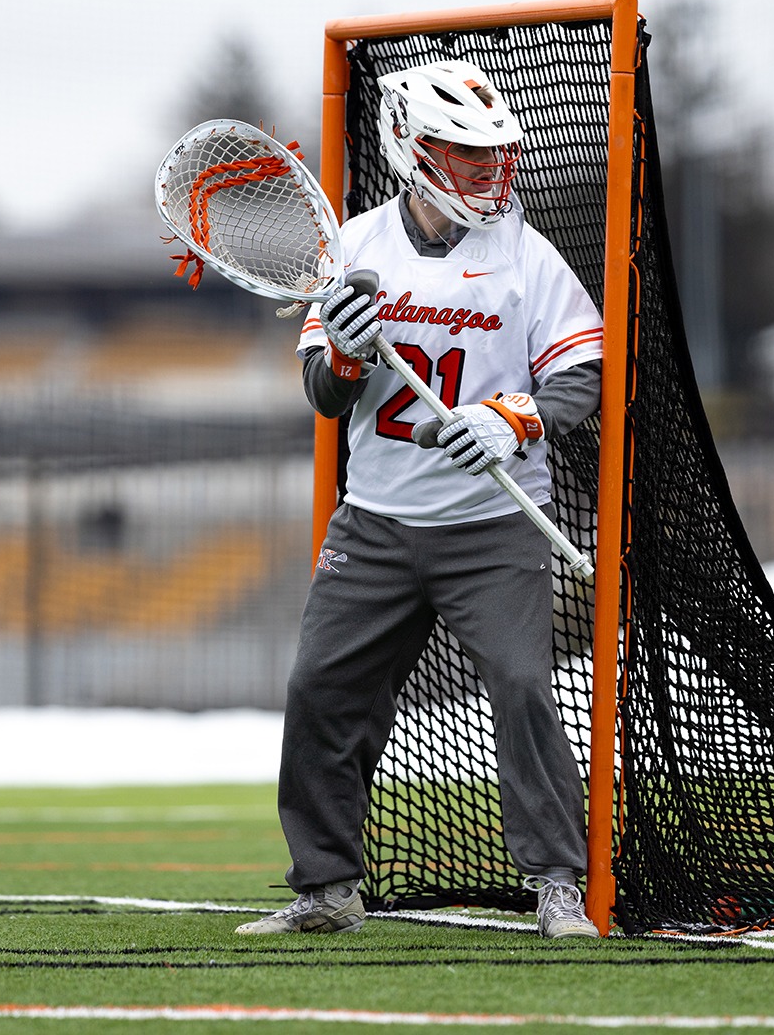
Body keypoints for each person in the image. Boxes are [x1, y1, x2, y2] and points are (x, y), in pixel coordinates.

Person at [235, 60, 605, 940]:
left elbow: (581, 375)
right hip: (378, 519)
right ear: (410, 148)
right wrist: (351, 356)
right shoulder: (355, 247)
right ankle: (326, 888)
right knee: (322, 691)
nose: (487, 169)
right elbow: (325, 396)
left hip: (492, 524)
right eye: (461, 151)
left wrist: (513, 418)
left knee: (521, 689)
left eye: (493, 152)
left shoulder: (525, 255)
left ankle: (558, 882)